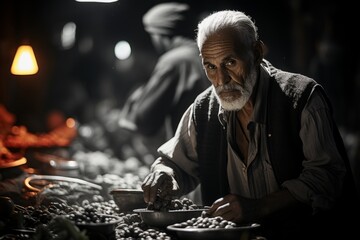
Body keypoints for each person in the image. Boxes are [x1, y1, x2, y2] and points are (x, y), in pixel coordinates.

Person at [141, 10, 359, 239]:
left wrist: (259, 207)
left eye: (231, 62)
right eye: (211, 67)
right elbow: (176, 164)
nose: (221, 80)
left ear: (256, 53)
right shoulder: (204, 108)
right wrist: (165, 174)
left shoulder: (302, 98)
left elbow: (328, 178)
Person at [118, 2, 209, 142]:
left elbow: (144, 122)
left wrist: (138, 96)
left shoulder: (175, 61)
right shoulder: (205, 55)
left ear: (161, 34)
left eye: (152, 35)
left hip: (193, 159)